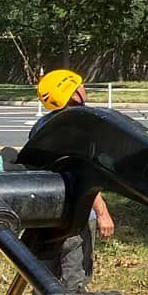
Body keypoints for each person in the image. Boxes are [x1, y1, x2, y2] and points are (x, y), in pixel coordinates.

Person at [33, 69, 114, 238]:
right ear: (76, 94)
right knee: (76, 264)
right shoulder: (80, 127)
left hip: (45, 210)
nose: (84, 88)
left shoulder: (42, 125)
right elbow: (83, 174)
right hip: (77, 215)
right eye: (81, 85)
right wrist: (102, 213)